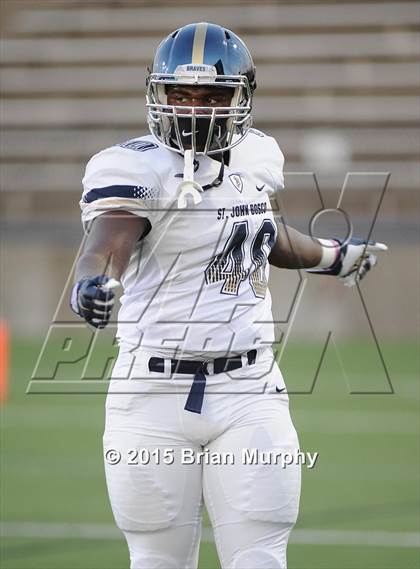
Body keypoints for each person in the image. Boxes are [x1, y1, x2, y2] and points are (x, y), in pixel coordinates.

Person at [70, 22, 387, 569]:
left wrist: (333, 257)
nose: (195, 109)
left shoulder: (258, 156)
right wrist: (89, 283)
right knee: (157, 561)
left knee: (262, 557)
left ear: (241, 96)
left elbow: (260, 234)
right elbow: (106, 241)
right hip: (149, 393)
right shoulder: (132, 168)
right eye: (181, 95)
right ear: (158, 94)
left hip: (249, 387)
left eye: (213, 96)